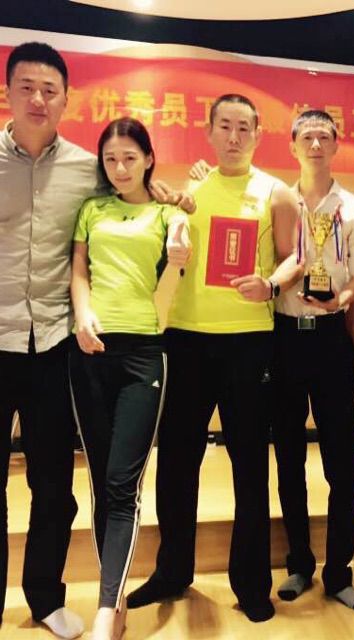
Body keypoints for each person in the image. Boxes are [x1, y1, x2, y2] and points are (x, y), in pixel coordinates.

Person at [126, 94, 301, 622]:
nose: (233, 136)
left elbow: (295, 256)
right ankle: (172, 571)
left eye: (244, 127)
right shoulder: (191, 189)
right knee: (177, 462)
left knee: (249, 465)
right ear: (208, 131)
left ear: (258, 134)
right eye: (224, 126)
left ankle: (251, 584)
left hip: (249, 342)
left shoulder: (276, 192)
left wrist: (270, 284)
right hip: (186, 339)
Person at [68, 116, 190, 640]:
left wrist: (181, 238)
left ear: (149, 160)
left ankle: (103, 613)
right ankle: (113, 600)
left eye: (130, 158)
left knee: (123, 483)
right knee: (101, 481)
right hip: (89, 351)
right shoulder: (91, 209)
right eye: (111, 159)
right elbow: (79, 271)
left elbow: (182, 248)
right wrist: (82, 314)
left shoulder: (166, 213)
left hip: (144, 355)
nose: (119, 168)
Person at [0, 41, 98, 639]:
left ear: (65, 99)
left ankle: (44, 598)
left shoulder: (88, 169)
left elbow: (130, 205)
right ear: (8, 92)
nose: (38, 98)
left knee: (55, 488)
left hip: (54, 346)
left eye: (50, 89)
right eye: (27, 87)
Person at [270, 110, 354, 612]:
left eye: (324, 137)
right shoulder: (276, 201)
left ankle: (338, 572)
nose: (315, 144)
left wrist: (341, 301)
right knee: (289, 458)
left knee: (342, 461)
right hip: (283, 338)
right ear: (292, 145)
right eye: (307, 136)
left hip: (331, 339)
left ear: (336, 145)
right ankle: (298, 564)